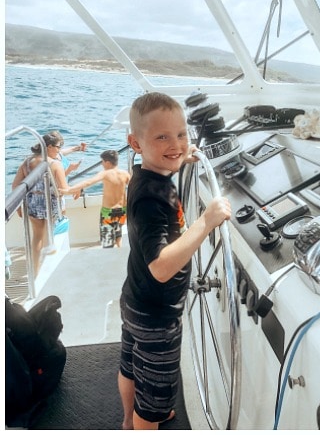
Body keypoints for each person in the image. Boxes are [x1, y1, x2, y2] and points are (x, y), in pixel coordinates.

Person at [118, 92, 231, 430]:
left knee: (130, 367)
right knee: (154, 404)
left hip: (134, 301)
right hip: (158, 317)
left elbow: (172, 156)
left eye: (181, 134)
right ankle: (142, 421)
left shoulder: (146, 177)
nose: (176, 143)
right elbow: (161, 267)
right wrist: (207, 220)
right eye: (162, 137)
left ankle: (127, 421)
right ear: (135, 143)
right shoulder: (154, 199)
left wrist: (180, 156)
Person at [11, 132, 70, 272]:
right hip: (51, 205)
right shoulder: (55, 164)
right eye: (58, 147)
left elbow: (15, 186)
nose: (60, 150)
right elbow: (63, 189)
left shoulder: (26, 162)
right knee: (50, 237)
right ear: (49, 147)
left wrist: (19, 207)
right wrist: (78, 189)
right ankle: (48, 270)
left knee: (37, 238)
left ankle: (35, 272)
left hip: (32, 203)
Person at [62, 150, 131, 248]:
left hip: (108, 212)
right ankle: (119, 253)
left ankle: (110, 260)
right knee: (118, 236)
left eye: (102, 162)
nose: (102, 164)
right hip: (122, 211)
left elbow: (88, 182)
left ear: (107, 162)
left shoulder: (105, 174)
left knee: (108, 242)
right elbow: (135, 187)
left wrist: (70, 190)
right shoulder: (125, 174)